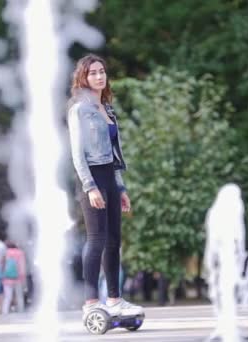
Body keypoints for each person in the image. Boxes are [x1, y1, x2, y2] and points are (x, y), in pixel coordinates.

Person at [67, 53, 143, 317]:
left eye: (102, 71)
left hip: (110, 177)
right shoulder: (79, 110)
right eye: (93, 73)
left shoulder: (107, 108)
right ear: (84, 78)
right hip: (92, 178)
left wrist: (120, 188)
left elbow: (114, 154)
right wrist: (90, 187)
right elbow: (77, 154)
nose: (99, 76)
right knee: (96, 239)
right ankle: (90, 302)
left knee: (114, 241)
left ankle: (114, 299)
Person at [1, 240, 27, 314]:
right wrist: (23, 275)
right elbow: (22, 265)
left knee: (7, 297)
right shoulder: (20, 252)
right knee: (19, 296)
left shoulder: (5, 253)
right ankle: (21, 311)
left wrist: (2, 275)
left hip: (7, 278)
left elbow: (2, 264)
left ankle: (5, 312)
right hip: (18, 278)